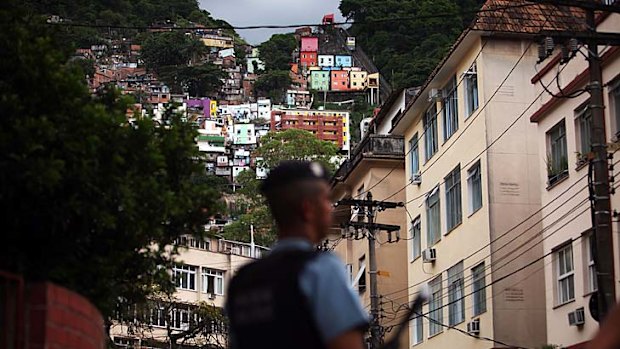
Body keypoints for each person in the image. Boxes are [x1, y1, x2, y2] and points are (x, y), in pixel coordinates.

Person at [226, 161, 369, 349]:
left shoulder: (242, 281)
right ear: (307, 209)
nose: (330, 208)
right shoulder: (321, 269)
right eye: (326, 200)